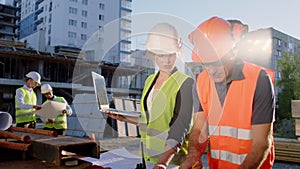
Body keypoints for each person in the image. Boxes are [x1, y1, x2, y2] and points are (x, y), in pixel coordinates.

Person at [180, 16, 275, 169]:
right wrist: (192, 157)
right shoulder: (201, 81)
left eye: (217, 62)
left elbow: (261, 143)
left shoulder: (259, 80)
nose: (211, 70)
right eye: (206, 64)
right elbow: (199, 129)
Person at [105, 23, 194, 169]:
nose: (167, 60)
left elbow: (180, 127)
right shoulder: (149, 81)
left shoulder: (186, 83)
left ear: (177, 52)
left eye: (171, 54)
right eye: (161, 55)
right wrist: (124, 117)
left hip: (171, 161)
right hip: (148, 156)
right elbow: (151, 120)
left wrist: (163, 162)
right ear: (152, 54)